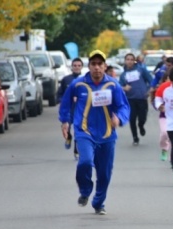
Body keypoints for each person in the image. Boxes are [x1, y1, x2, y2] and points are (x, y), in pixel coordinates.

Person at [59, 50, 130, 215]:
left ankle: (99, 203)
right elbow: (65, 102)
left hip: (107, 135)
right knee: (84, 162)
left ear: (105, 66)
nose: (97, 67)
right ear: (89, 66)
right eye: (93, 64)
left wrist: (119, 118)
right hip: (84, 132)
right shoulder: (78, 84)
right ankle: (85, 191)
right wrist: (65, 121)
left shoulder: (113, 85)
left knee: (104, 174)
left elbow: (123, 106)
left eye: (100, 64)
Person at [119, 53, 153, 145]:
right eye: (127, 59)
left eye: (131, 59)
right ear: (125, 61)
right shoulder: (123, 75)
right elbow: (119, 86)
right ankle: (135, 137)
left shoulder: (141, 70)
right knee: (132, 118)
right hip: (130, 99)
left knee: (142, 117)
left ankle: (141, 126)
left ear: (134, 61)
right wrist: (124, 88)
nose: (129, 61)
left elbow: (151, 81)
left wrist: (149, 91)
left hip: (142, 98)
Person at [57, 57, 83, 159]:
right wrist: (63, 101)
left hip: (80, 110)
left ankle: (77, 150)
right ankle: (68, 137)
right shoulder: (66, 79)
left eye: (79, 66)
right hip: (68, 110)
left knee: (78, 131)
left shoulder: (85, 80)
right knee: (67, 129)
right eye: (75, 66)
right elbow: (59, 94)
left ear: (82, 67)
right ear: (71, 67)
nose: (77, 68)